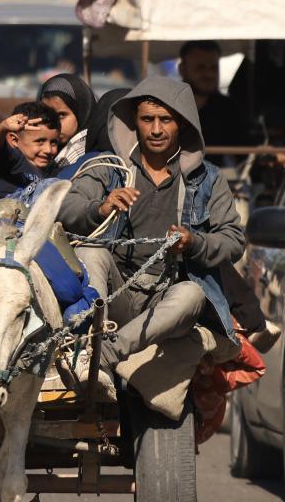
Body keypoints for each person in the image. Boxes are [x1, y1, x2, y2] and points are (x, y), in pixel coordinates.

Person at [57, 76, 246, 394]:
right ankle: (85, 339)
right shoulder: (110, 169)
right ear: (135, 123)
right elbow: (66, 208)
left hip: (166, 298)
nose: (156, 130)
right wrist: (100, 208)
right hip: (116, 295)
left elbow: (233, 239)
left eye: (165, 120)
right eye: (147, 119)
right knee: (92, 254)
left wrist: (194, 242)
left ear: (182, 125)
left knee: (193, 294)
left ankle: (104, 355)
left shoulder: (208, 180)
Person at [178, 41, 257, 149]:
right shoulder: (168, 107)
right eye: (200, 67)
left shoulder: (227, 108)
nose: (209, 74)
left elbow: (244, 150)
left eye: (213, 68)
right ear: (182, 69)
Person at [0, 101, 61, 201]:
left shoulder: (50, 170)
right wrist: (3, 127)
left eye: (53, 142)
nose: (48, 149)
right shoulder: (12, 159)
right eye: (40, 141)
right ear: (14, 140)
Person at [36, 73, 94, 169]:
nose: (54, 122)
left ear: (81, 112)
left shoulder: (81, 154)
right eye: (47, 114)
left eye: (61, 115)